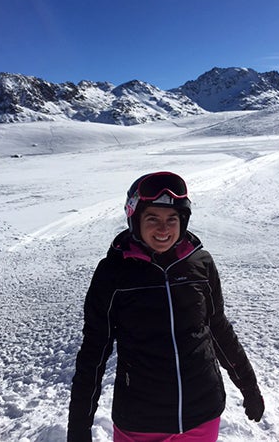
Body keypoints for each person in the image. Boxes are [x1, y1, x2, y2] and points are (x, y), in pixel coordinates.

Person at [67, 171, 265, 441]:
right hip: (139, 422)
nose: (164, 229)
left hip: (202, 415)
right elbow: (94, 351)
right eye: (153, 219)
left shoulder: (201, 264)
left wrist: (249, 387)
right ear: (134, 220)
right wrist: (79, 426)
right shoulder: (113, 273)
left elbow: (218, 329)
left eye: (172, 219)